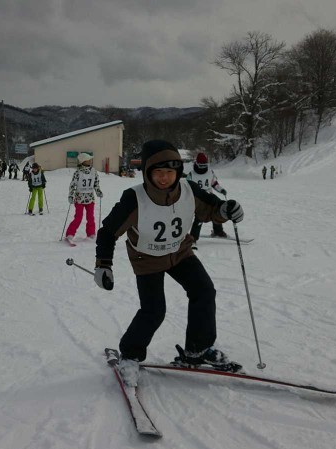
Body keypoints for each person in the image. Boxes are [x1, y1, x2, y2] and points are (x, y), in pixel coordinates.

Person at [94, 140, 244, 386]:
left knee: (204, 291)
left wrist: (227, 210)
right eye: (158, 172)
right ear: (147, 172)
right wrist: (103, 264)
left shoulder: (189, 189)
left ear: (178, 172)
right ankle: (130, 355)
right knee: (154, 310)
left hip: (180, 252)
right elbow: (108, 232)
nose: (164, 178)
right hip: (147, 258)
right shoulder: (134, 198)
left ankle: (197, 349)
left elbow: (212, 208)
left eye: (169, 172)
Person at [186, 152, 228, 245]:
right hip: (198, 199)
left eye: (204, 165)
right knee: (200, 217)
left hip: (210, 196)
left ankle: (218, 231)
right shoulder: (191, 174)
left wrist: (221, 190)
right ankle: (193, 238)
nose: (203, 167)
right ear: (197, 164)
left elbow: (214, 183)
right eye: (201, 165)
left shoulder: (210, 172)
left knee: (217, 210)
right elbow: (187, 187)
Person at [65, 152, 103, 242]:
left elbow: (96, 183)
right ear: (83, 161)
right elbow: (73, 185)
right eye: (88, 159)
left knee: (90, 217)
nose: (90, 161)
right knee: (78, 217)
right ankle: (70, 234)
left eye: (90, 159)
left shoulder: (94, 171)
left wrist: (98, 191)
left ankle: (91, 233)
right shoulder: (78, 172)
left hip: (90, 198)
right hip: (79, 198)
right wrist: (71, 195)